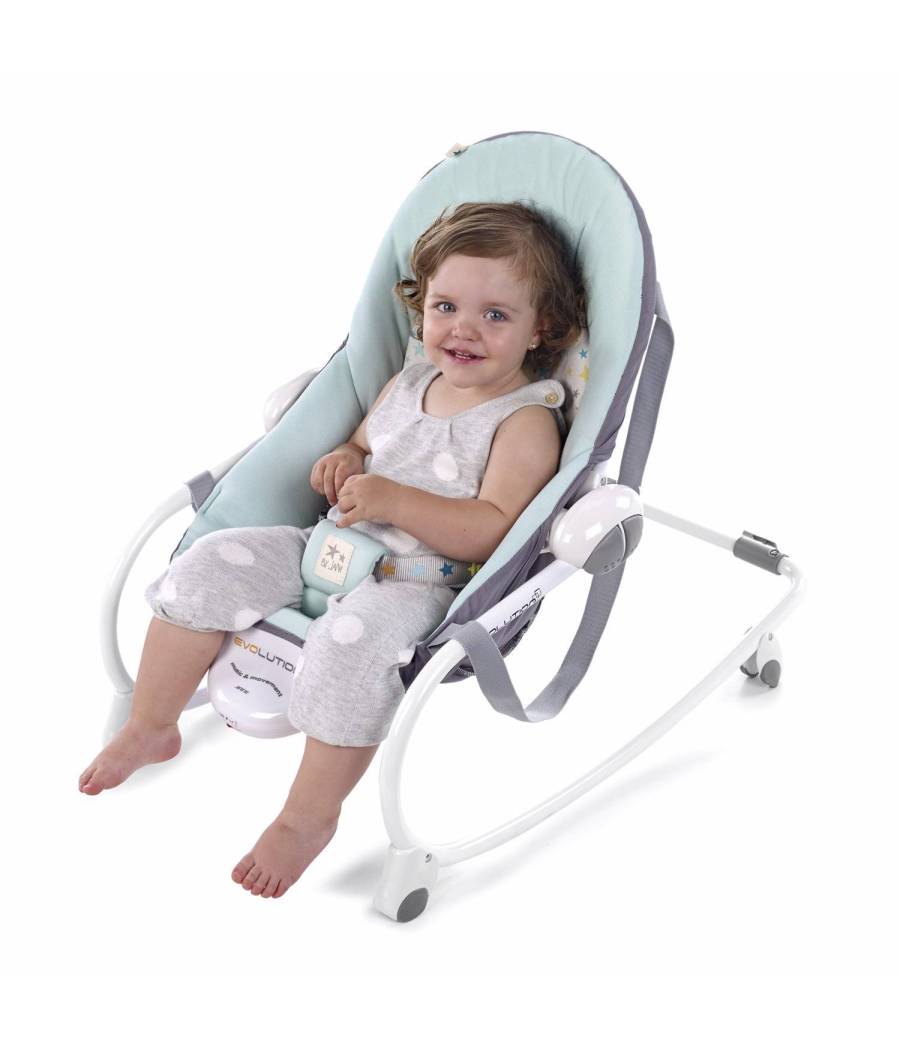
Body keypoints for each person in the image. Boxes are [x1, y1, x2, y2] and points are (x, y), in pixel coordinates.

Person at [78, 200, 587, 900]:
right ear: (422, 306)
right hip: (326, 544)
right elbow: (363, 444)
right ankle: (151, 723)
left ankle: (306, 819)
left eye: (495, 315)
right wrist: (345, 458)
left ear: (544, 329)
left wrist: (394, 501)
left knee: (351, 654)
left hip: (416, 582)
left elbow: (495, 530)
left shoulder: (524, 421)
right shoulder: (410, 381)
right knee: (204, 571)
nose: (463, 329)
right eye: (445, 306)